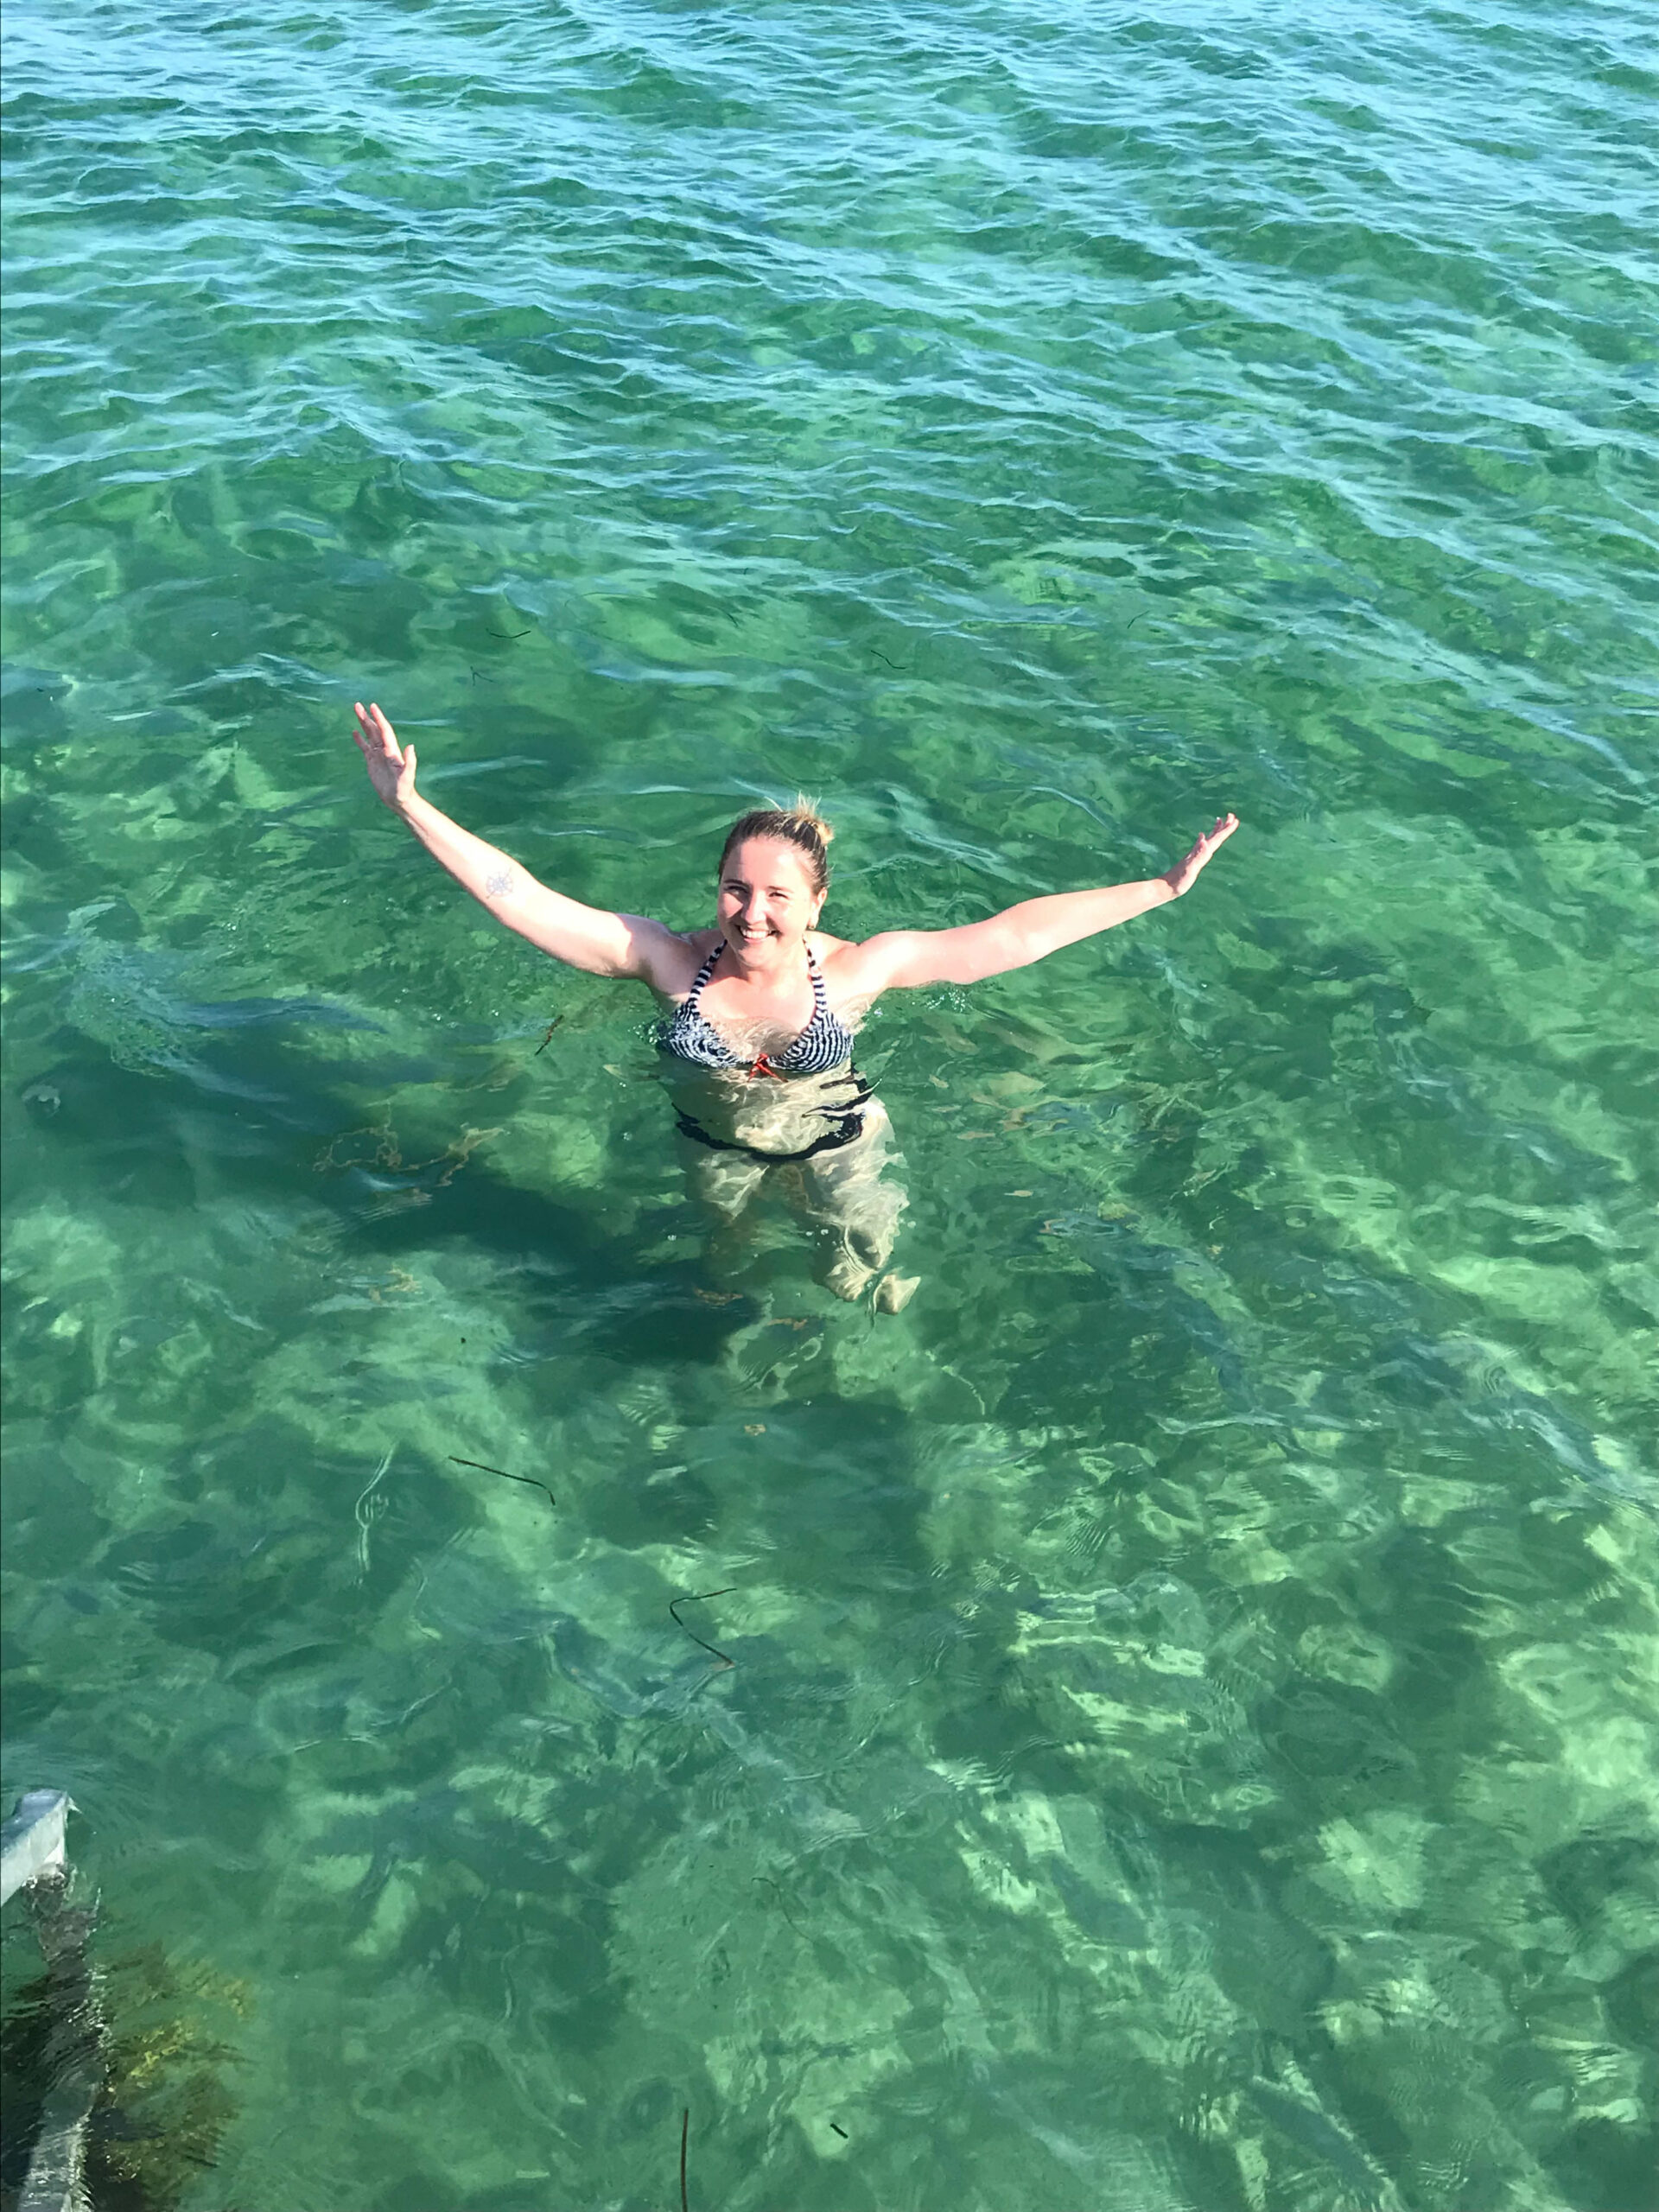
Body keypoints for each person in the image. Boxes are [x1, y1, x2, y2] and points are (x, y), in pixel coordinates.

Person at [351, 702, 1238, 1311]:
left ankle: (849, 1299)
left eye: (777, 895)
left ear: (816, 904)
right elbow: (522, 895)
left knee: (853, 1270)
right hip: (712, 1140)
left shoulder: (855, 970)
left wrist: (1160, 888)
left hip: (839, 1139)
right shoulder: (666, 961)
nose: (753, 911)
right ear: (718, 891)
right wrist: (411, 806)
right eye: (737, 890)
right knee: (722, 1257)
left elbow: (1009, 937)